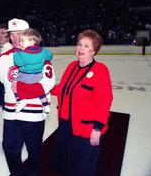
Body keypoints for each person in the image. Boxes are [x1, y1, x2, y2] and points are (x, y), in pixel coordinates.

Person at [0, 18, 56, 176]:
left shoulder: (40, 55)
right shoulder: (4, 58)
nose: (16, 38)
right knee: (9, 148)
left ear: (29, 35)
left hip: (34, 115)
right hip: (11, 114)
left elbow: (48, 82)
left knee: (34, 151)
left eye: (20, 34)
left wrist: (22, 89)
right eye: (12, 35)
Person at [47, 29, 113, 176]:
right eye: (79, 44)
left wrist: (97, 128)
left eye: (86, 46)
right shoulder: (71, 66)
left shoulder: (100, 70)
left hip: (87, 127)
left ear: (94, 51)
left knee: (84, 166)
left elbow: (105, 100)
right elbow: (63, 89)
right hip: (66, 124)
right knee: (68, 161)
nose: (81, 48)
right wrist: (43, 87)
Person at [12, 28, 53, 114]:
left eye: (22, 41)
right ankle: (45, 104)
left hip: (25, 76)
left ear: (32, 41)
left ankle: (19, 100)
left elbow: (18, 62)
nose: (20, 43)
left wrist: (16, 52)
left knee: (14, 84)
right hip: (38, 76)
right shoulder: (43, 51)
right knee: (38, 90)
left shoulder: (23, 54)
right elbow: (50, 56)